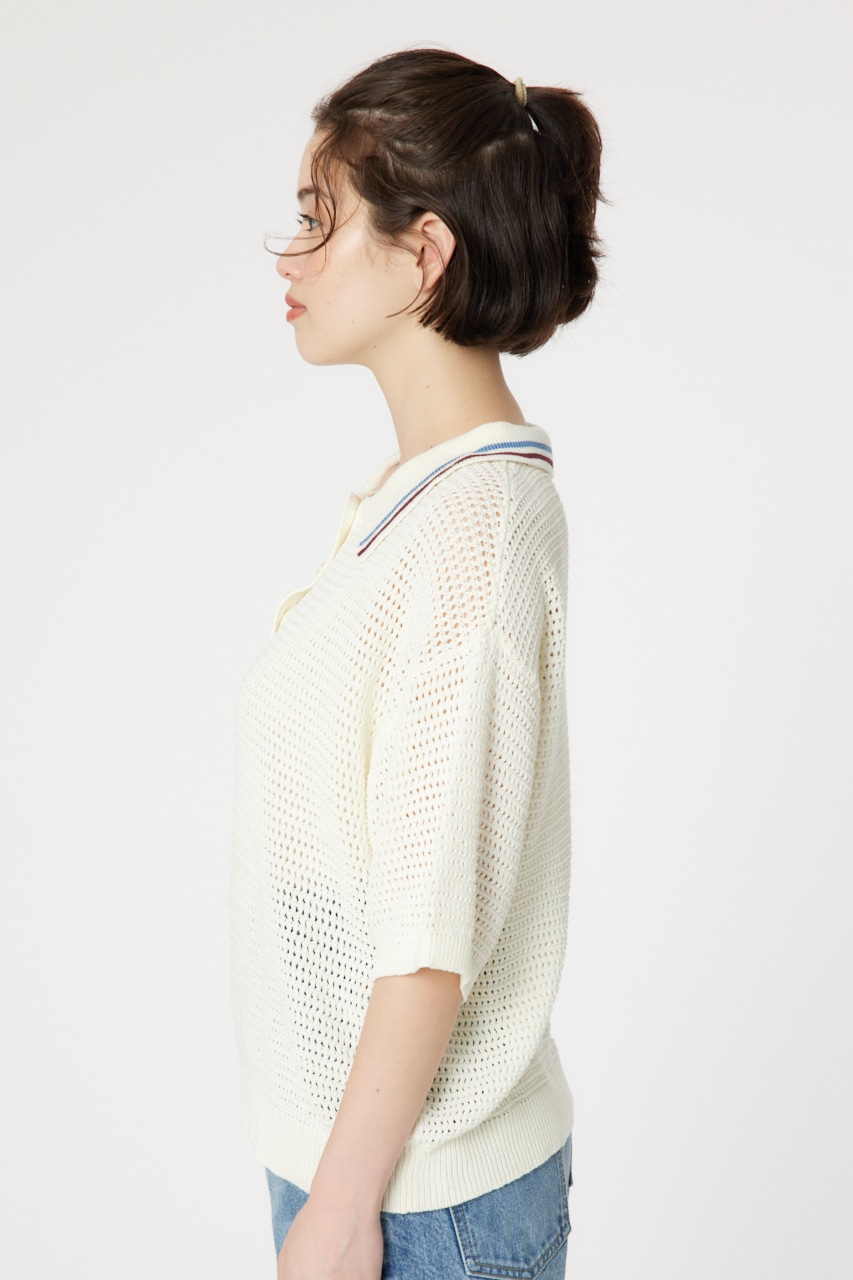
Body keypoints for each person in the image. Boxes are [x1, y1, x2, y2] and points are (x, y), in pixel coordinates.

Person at [229, 46, 604, 1280]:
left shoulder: (471, 536)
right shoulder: (420, 505)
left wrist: (340, 1211)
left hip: (415, 1199)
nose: (288, 258)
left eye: (317, 218)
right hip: (369, 1163)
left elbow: (427, 938)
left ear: (425, 252)